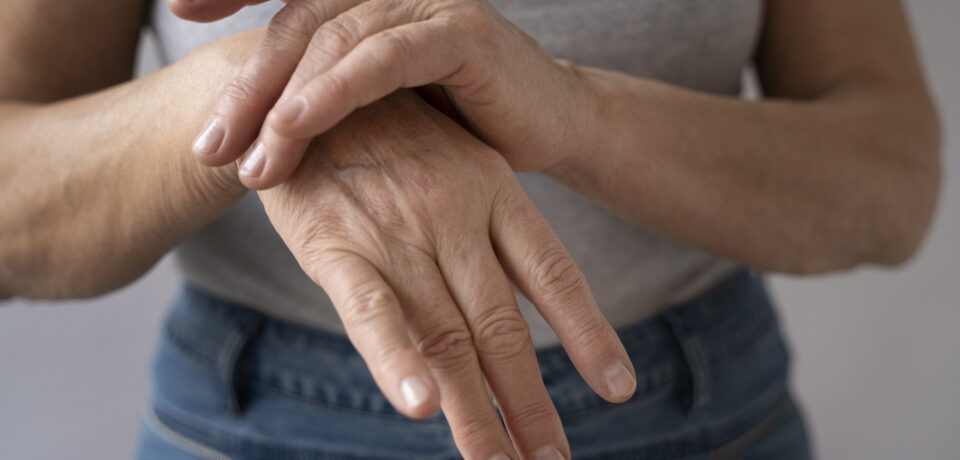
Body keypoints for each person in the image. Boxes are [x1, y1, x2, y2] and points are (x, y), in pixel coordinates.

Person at [0, 0, 939, 458]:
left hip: (702, 412)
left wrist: (577, 112)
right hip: (256, 421)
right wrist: (263, 95)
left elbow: (890, 178)